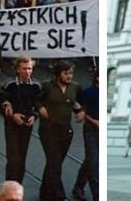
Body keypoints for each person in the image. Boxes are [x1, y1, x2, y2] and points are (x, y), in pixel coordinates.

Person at [37, 60, 84, 201]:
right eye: (66, 73)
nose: (69, 76)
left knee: (55, 163)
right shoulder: (46, 86)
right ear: (58, 74)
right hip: (48, 129)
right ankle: (58, 195)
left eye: (71, 73)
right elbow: (35, 100)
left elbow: (77, 102)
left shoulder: (75, 87)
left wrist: (81, 111)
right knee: (54, 162)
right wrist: (40, 108)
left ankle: (45, 193)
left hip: (66, 130)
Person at [0, 56, 40, 182]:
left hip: (27, 124)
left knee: (21, 158)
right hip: (12, 124)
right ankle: (9, 185)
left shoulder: (36, 85)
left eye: (30, 69)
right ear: (17, 69)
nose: (27, 72)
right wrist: (8, 109)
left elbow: (39, 103)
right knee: (13, 157)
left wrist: (34, 116)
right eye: (24, 69)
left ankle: (17, 186)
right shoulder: (10, 84)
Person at [73, 70, 99, 201]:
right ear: (97, 78)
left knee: (90, 161)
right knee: (94, 163)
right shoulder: (89, 92)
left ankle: (78, 186)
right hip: (91, 129)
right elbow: (82, 111)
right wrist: (94, 121)